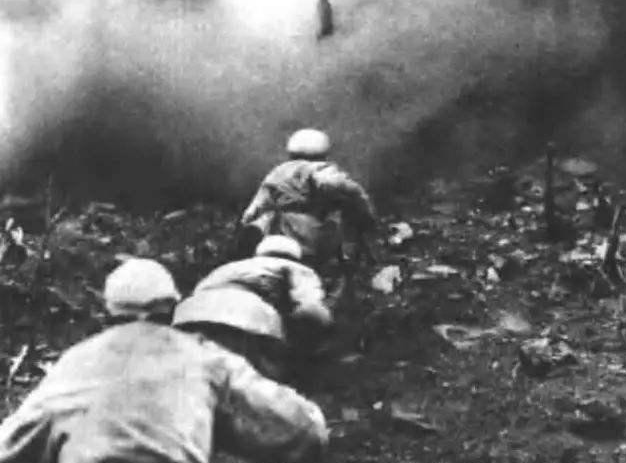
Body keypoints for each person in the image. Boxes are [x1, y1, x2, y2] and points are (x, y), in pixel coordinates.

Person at [0, 258, 327, 463]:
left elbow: (10, 445)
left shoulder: (75, 363)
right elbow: (304, 429)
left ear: (106, 313)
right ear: (173, 310)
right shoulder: (204, 358)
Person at [190, 235, 334, 379]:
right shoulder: (296, 268)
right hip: (245, 319)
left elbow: (197, 292)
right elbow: (311, 309)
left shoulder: (227, 268)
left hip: (190, 317)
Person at [239, 128, 378, 278]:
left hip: (280, 227)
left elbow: (259, 202)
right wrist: (366, 213)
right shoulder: (319, 168)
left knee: (283, 265)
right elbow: (342, 187)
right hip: (313, 226)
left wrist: (248, 220)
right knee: (320, 266)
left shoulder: (278, 171)